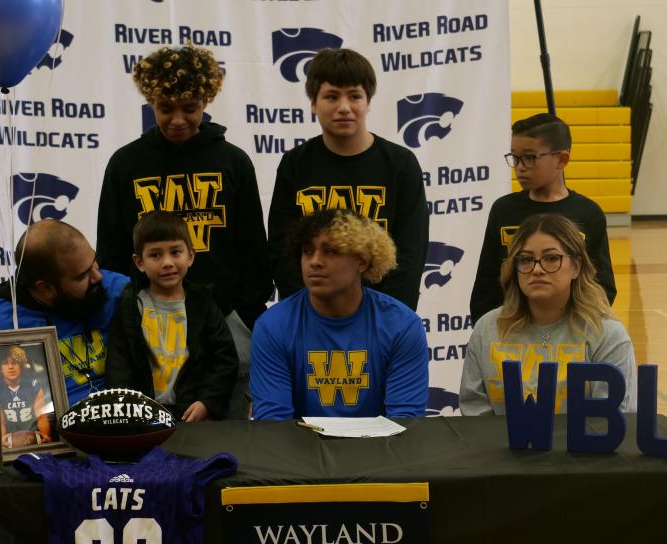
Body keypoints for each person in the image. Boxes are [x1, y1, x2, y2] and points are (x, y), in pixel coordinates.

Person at [446, 213, 636, 544]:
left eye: (552, 258)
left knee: (553, 526)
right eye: (526, 259)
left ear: (577, 266)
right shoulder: (490, 328)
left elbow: (620, 421)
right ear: (512, 269)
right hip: (506, 475)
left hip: (578, 484)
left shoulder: (606, 334)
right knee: (480, 525)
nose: (537, 269)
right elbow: (474, 408)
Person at [97, 45, 271, 418]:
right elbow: (110, 249)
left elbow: (254, 246)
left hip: (226, 318)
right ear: (151, 102)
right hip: (150, 318)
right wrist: (128, 312)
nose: (178, 119)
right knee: (151, 426)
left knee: (228, 431)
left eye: (190, 107)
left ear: (205, 101)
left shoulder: (233, 162)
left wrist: (245, 312)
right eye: (165, 107)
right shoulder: (126, 164)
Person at [268, 48, 429, 311]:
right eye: (331, 96)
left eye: (355, 96)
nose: (344, 108)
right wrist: (307, 310)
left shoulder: (400, 164)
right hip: (312, 314)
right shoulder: (295, 163)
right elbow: (282, 249)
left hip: (382, 316)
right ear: (313, 103)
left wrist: (390, 315)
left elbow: (410, 253)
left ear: (368, 102)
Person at [0, 219, 128, 434]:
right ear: (46, 288)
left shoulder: (118, 292)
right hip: (48, 449)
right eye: (82, 276)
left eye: (94, 264)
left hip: (122, 433)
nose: (98, 276)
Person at [251, 209, 428, 420]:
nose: (315, 261)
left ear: (362, 261)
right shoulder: (272, 327)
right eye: (307, 251)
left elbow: (404, 423)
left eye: (331, 251)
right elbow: (274, 424)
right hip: (299, 451)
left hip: (380, 450)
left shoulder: (402, 327)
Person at [469, 113, 617, 323]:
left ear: (561, 159)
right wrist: (486, 330)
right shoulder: (503, 210)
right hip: (511, 330)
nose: (520, 167)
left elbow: (602, 287)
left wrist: (576, 326)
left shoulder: (588, 213)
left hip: (569, 332)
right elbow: (486, 283)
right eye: (515, 157)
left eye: (529, 157)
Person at [105, 211, 238, 422]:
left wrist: (207, 402)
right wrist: (131, 410)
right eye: (155, 255)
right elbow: (118, 366)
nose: (167, 262)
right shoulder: (130, 306)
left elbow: (224, 360)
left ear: (191, 256)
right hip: (143, 419)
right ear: (139, 262)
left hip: (192, 417)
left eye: (175, 252)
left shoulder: (203, 303)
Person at [0, 346, 53, 447]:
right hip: (9, 437)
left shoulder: (33, 385)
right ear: (0, 368)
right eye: (5, 363)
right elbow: (0, 422)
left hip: (32, 435)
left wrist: (45, 436)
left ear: (21, 366)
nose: (11, 367)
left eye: (15, 363)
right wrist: (2, 442)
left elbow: (41, 416)